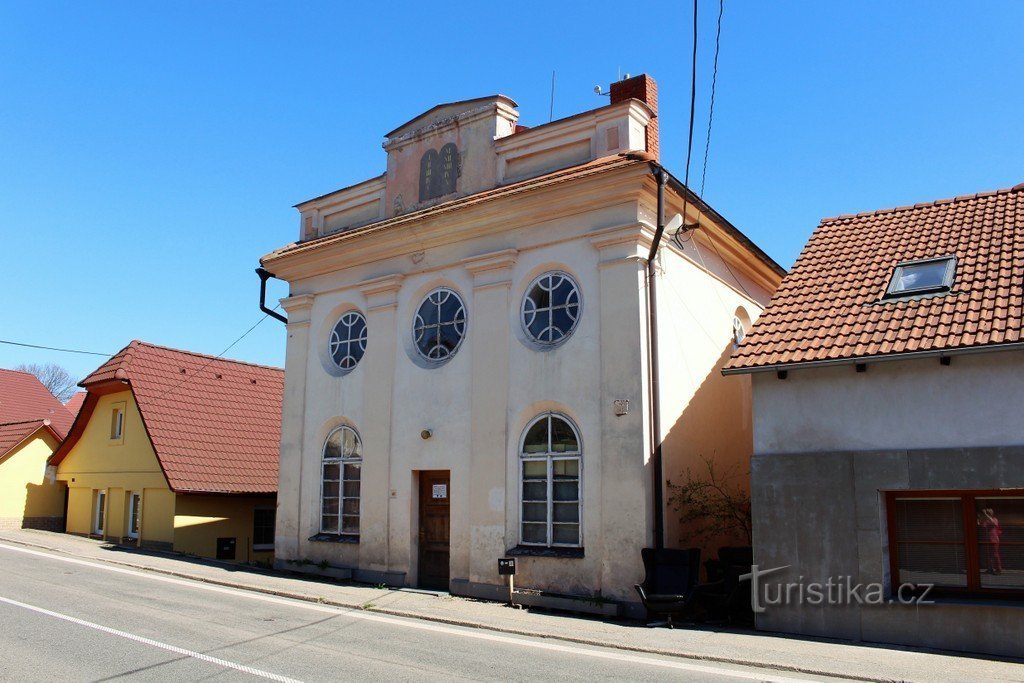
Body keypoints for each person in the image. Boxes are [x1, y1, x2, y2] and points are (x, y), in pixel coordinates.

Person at [978, 507, 1003, 575]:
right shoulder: (986, 521)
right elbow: (981, 526)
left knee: (995, 554)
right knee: (989, 555)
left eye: (988, 513)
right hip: (988, 539)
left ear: (990, 514)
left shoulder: (994, 519)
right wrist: (979, 518)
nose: (986, 514)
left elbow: (993, 523)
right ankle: (990, 568)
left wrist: (985, 514)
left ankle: (999, 569)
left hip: (994, 539)